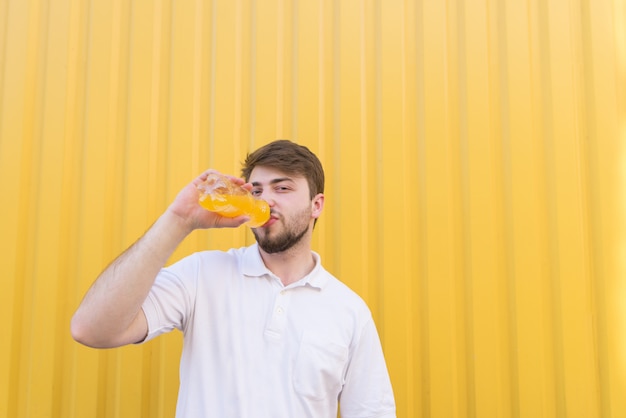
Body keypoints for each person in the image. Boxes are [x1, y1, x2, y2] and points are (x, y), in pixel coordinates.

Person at [71, 139, 396, 418]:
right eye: (256, 190)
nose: (265, 200)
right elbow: (91, 329)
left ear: (316, 205)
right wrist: (179, 220)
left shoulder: (349, 311)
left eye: (282, 188)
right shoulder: (202, 275)